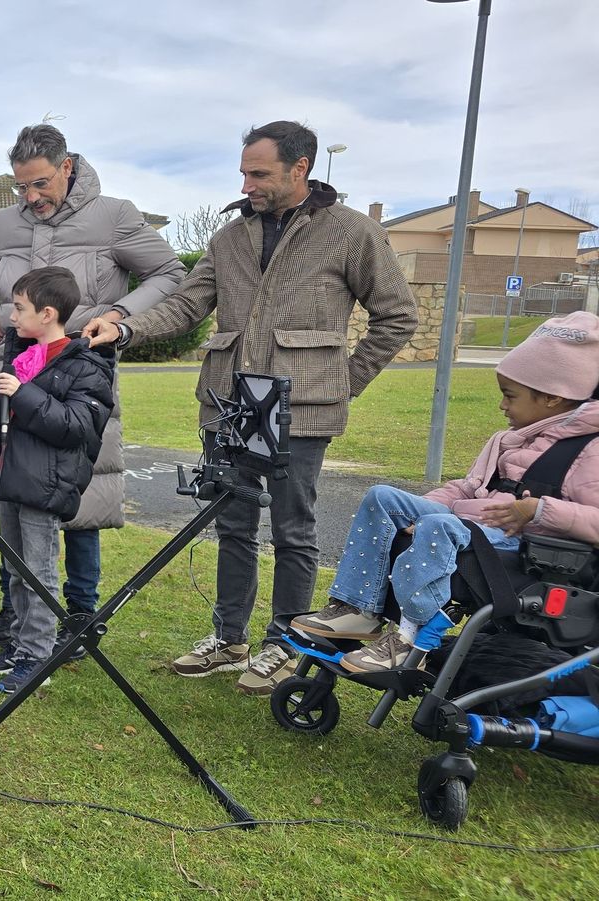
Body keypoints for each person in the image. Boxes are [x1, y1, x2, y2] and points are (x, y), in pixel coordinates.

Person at [83, 120, 418, 695]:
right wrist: (125, 328)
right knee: (230, 523)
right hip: (229, 407)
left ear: (301, 168)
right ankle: (229, 639)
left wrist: (341, 381)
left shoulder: (350, 233)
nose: (247, 182)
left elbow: (397, 315)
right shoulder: (230, 237)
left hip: (302, 413)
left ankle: (284, 645)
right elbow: (188, 304)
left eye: (258, 172)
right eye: (243, 170)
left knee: (293, 529)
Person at [0, 124, 184, 658]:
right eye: (21, 188)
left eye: (39, 184)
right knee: (8, 489)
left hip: (78, 374)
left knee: (78, 496)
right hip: (12, 372)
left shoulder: (116, 215)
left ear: (66, 166)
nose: (30, 198)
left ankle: (80, 616)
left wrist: (120, 313)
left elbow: (171, 275)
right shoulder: (1, 222)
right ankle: (15, 612)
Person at [291, 313, 599, 672]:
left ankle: (408, 638)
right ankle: (358, 608)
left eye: (509, 396)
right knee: (382, 497)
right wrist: (421, 513)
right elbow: (467, 488)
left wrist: (537, 510)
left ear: (550, 397)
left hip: (524, 550)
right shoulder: (512, 438)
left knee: (439, 525)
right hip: (472, 529)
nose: (502, 406)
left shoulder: (588, 451)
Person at [0, 267, 113, 693]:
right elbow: (4, 415)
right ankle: (20, 645)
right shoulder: (22, 354)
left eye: (19, 309)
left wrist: (22, 391)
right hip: (11, 480)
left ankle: (37, 657)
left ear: (47, 313)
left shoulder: (86, 367)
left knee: (38, 573)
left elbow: (76, 425)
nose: (11, 317)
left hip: (44, 488)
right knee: (16, 570)